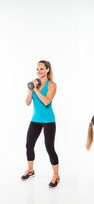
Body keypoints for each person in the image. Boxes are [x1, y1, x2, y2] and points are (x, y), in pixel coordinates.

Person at [21, 60, 60, 188]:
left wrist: (36, 89)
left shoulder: (52, 85)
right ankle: (30, 170)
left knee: (49, 148)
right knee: (29, 145)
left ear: (47, 69)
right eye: (37, 69)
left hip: (49, 121)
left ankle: (56, 176)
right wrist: (29, 90)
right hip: (35, 120)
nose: (39, 71)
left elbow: (47, 102)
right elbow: (27, 102)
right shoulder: (34, 84)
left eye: (42, 69)